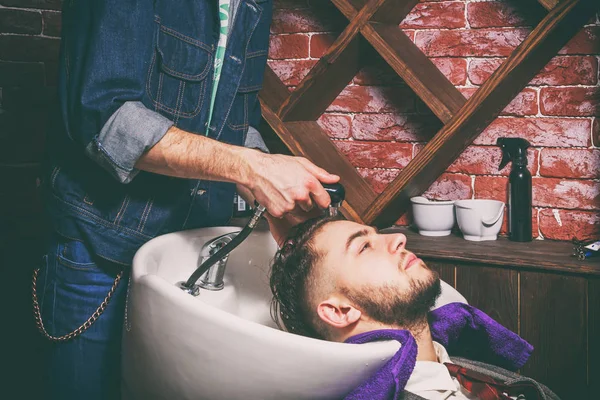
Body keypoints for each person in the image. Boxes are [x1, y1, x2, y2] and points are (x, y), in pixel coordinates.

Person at [35, 1, 338, 399]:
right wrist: (249, 169)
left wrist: (266, 175)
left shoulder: (254, 6)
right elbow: (106, 119)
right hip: (102, 241)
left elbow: (233, 118)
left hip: (187, 243)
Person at [270, 217, 560, 400]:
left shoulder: (462, 368)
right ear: (340, 311)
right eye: (364, 247)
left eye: (376, 234)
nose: (398, 238)